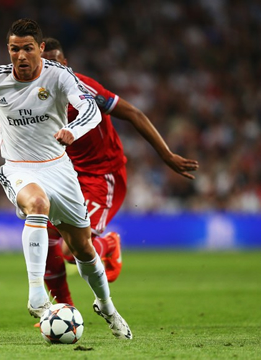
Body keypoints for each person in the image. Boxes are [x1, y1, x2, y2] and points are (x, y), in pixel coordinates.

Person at [0, 19, 133, 340]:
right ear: (9, 49)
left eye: (28, 49)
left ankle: (106, 306)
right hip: (19, 167)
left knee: (83, 249)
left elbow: (90, 109)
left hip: (60, 169)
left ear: (41, 49)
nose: (20, 56)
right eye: (14, 49)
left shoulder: (59, 76)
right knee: (37, 203)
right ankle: (36, 296)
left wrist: (72, 131)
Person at [40, 38, 199, 307]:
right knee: (45, 239)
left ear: (65, 65)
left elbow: (134, 113)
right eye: (46, 65)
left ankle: (109, 243)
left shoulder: (85, 89)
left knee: (70, 250)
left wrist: (166, 155)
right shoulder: (36, 96)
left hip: (103, 177)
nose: (51, 69)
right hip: (69, 175)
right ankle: (64, 309)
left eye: (56, 63)